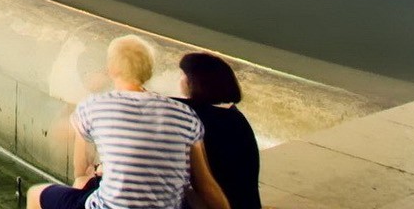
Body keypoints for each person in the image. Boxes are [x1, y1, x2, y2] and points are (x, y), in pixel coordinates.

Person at [28, 35, 226, 209]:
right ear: (148, 71)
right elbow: (205, 185)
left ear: (111, 69)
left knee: (38, 194)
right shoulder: (185, 115)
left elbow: (80, 169)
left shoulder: (94, 106)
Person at [177, 52, 260, 209]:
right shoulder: (234, 116)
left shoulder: (204, 118)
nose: (180, 80)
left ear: (195, 82)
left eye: (183, 75)